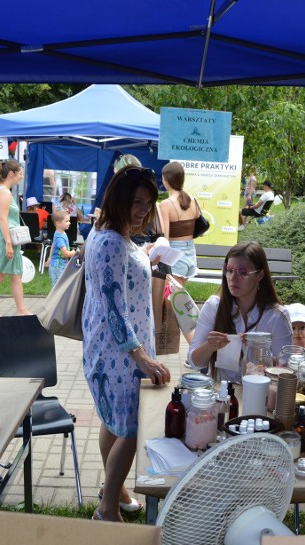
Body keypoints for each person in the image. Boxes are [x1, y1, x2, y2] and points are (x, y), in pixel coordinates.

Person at [83, 164, 171, 522]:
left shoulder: (114, 237)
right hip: (119, 352)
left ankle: (113, 490)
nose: (142, 210)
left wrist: (143, 254)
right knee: (132, 427)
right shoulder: (109, 242)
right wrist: (142, 358)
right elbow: (114, 307)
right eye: (136, 201)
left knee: (113, 422)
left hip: (118, 350)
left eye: (147, 203)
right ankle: (106, 511)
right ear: (118, 199)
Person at [188, 241, 293, 382]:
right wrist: (209, 346)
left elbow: (285, 370)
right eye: (229, 270)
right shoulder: (214, 306)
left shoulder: (276, 316)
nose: (233, 278)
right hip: (222, 393)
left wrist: (258, 351)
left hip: (261, 394)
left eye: (242, 272)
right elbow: (195, 362)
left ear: (260, 275)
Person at [0, 159, 31, 316]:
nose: (22, 177)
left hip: (6, 236)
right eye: (20, 173)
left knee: (13, 274)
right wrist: (8, 244)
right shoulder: (4, 192)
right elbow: (3, 219)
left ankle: (21, 309)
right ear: (11, 174)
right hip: (7, 237)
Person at [157, 162, 199, 287]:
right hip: (191, 252)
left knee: (171, 297)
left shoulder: (166, 204)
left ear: (167, 180)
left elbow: (165, 237)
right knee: (179, 296)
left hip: (175, 253)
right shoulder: (193, 200)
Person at [47, 210, 77, 286]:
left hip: (60, 265)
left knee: (61, 286)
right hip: (57, 267)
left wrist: (50, 257)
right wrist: (74, 252)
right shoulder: (60, 237)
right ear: (58, 223)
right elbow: (66, 254)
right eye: (67, 221)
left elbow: (53, 245)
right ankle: (56, 298)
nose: (69, 223)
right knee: (58, 287)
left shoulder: (59, 233)